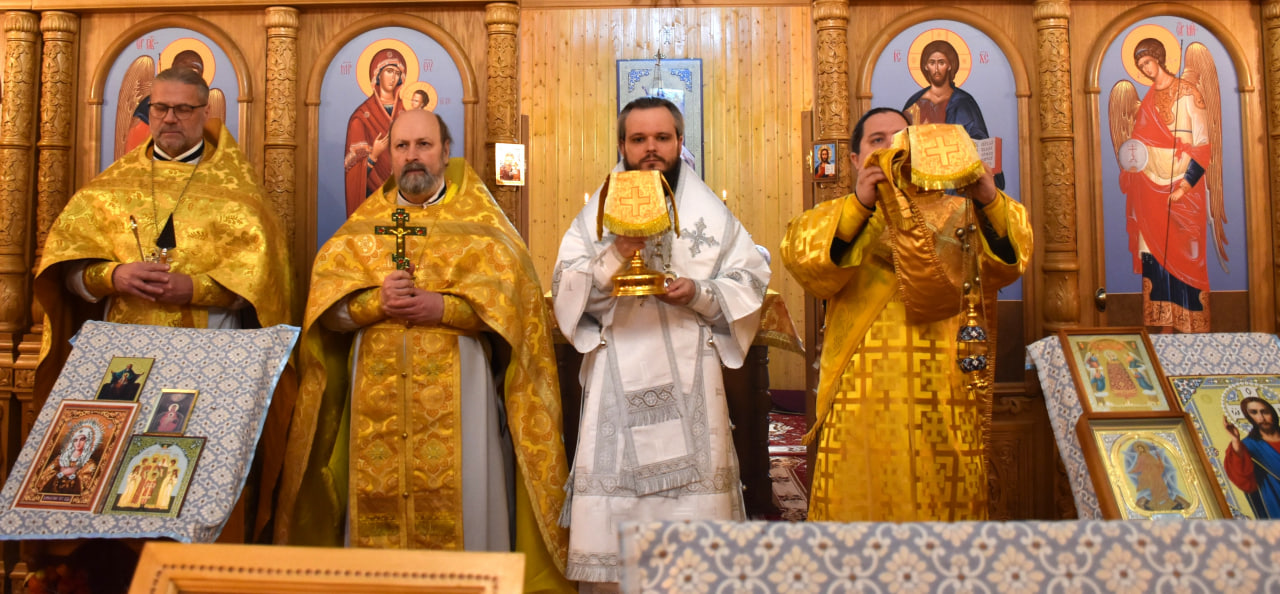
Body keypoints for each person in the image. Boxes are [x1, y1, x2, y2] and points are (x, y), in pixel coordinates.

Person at [277, 110, 572, 593]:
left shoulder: (483, 227)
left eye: (424, 145)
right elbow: (326, 314)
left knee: (466, 502)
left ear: (446, 152)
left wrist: (444, 308)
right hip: (374, 401)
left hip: (461, 395)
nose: (412, 156)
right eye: (402, 146)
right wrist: (375, 303)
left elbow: (516, 314)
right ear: (389, 156)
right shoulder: (360, 230)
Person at [35, 66, 293, 537]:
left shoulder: (238, 193)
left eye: (182, 109)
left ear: (204, 113)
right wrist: (113, 275)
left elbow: (264, 285)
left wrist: (194, 289)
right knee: (112, 481)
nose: (169, 118)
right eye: (159, 108)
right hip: (122, 366)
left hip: (207, 361)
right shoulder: (110, 187)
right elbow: (66, 272)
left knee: (189, 481)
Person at [553, 96, 771, 588]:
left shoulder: (711, 215)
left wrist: (700, 293)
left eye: (662, 138)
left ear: (679, 142)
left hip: (692, 369)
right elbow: (565, 288)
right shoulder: (596, 217)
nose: (651, 148)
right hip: (616, 369)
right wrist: (614, 254)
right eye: (639, 139)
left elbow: (749, 280)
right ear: (622, 146)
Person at [780, 107, 1032, 522]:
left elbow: (1008, 265)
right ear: (856, 160)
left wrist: (988, 197)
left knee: (942, 499)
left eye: (901, 139)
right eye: (877, 141)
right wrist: (861, 205)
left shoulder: (961, 213)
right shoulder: (838, 215)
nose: (891, 149)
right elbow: (806, 264)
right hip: (863, 391)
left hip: (944, 388)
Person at [1113, 38, 1217, 333]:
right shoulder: (1147, 99)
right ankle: (1162, 325)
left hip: (1183, 191)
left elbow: (1202, 147)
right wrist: (1131, 166)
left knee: (1187, 255)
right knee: (1154, 257)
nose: (1145, 69)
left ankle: (1190, 325)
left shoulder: (1189, 93)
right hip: (1149, 190)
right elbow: (1138, 146)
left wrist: (1185, 186)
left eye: (1148, 62)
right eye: (1140, 66)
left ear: (1159, 58)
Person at [902, 40, 1003, 189]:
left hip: (958, 182)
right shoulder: (915, 103)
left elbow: (978, 137)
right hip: (922, 182)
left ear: (950, 65)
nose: (936, 69)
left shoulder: (964, 101)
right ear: (925, 66)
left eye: (941, 62)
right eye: (932, 63)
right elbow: (903, 141)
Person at [345, 48, 407, 216]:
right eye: (389, 71)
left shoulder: (406, 112)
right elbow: (353, 173)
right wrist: (374, 155)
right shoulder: (361, 118)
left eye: (397, 73)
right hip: (373, 199)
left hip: (405, 195)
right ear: (377, 74)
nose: (393, 77)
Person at [1224, 396, 1280, 518]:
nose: (1261, 418)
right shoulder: (1248, 446)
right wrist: (1235, 441)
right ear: (1249, 417)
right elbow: (1242, 480)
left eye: (1265, 412)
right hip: (1275, 500)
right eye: (1254, 413)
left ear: (1273, 413)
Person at [39, 425, 99, 495]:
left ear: (88, 442)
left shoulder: (90, 464)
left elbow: (87, 484)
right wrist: (61, 474)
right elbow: (46, 474)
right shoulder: (60, 459)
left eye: (82, 439)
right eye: (75, 440)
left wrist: (73, 475)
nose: (78, 443)